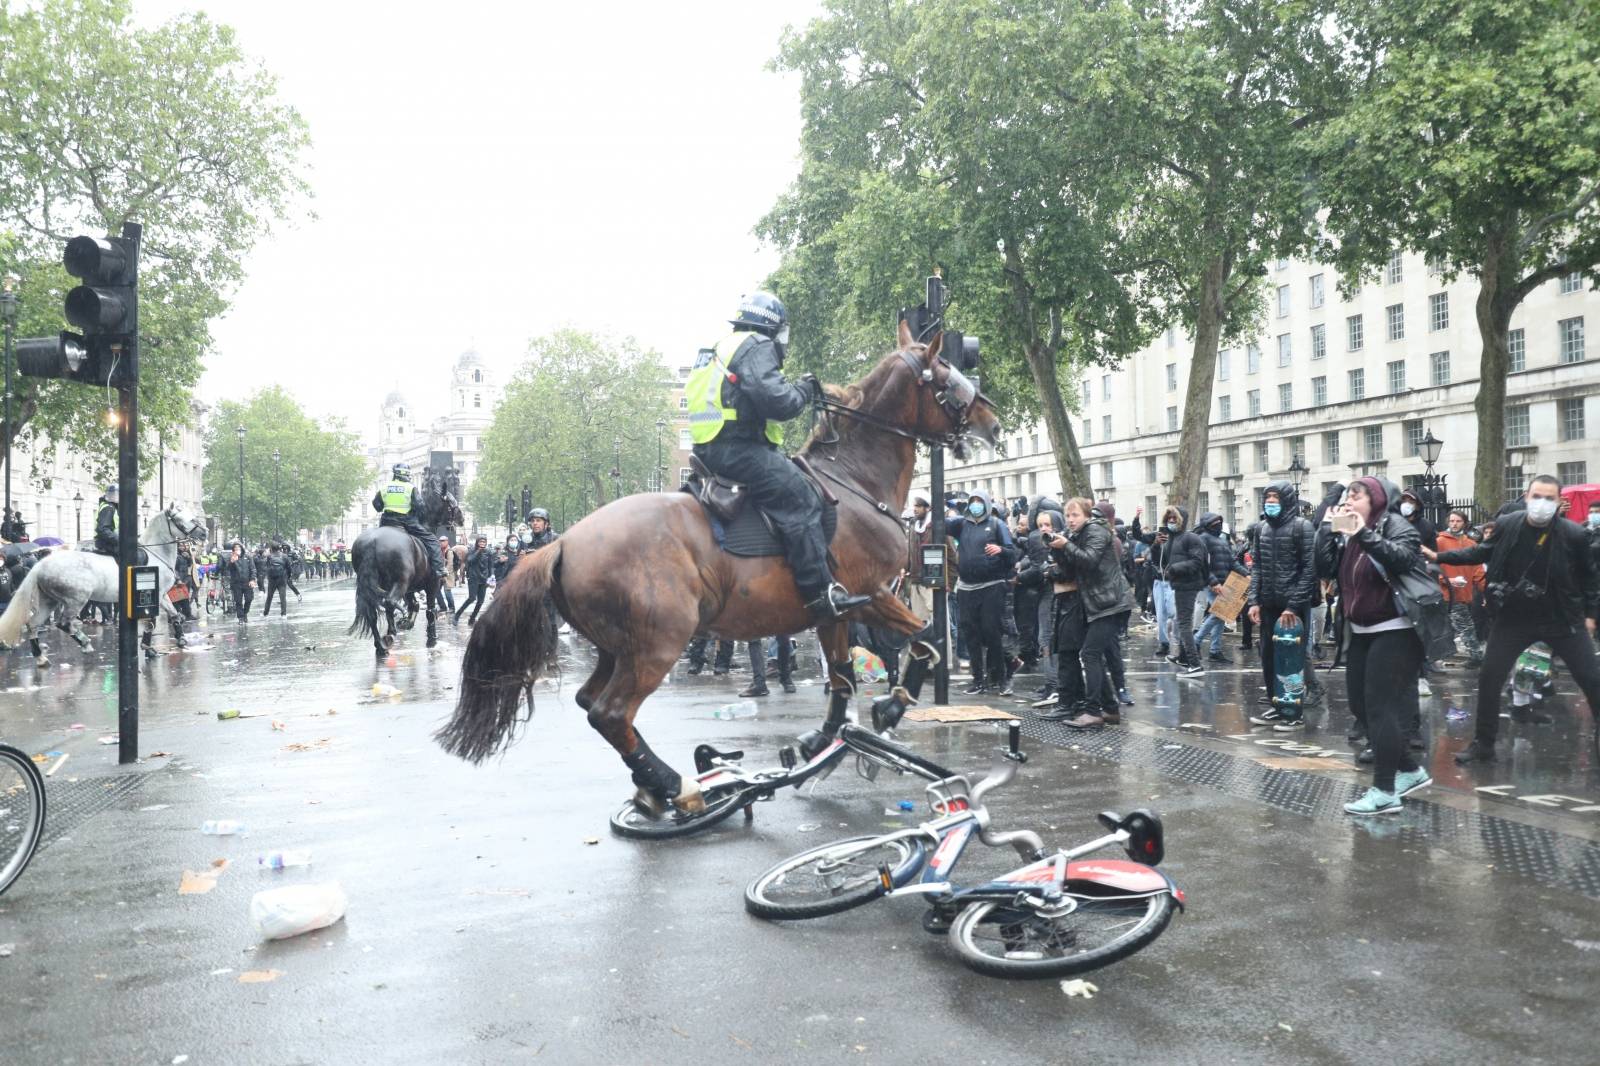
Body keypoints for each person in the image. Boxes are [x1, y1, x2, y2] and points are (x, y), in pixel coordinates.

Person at [686, 291, 869, 621]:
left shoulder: (718, 347)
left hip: (710, 448)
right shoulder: (756, 344)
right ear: (772, 327)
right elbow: (778, 402)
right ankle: (820, 594)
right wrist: (804, 389)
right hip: (738, 449)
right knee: (802, 499)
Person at [1428, 476, 1600, 763]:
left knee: (1592, 680)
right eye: (1537, 496)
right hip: (1514, 618)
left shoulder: (1574, 534)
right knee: (1489, 677)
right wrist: (1439, 555)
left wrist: (1591, 616)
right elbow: (1481, 551)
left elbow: (1589, 578)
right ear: (1526, 496)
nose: (1542, 503)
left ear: (1559, 502)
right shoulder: (1509, 524)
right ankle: (1483, 744)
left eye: (1549, 498)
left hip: (1561, 618)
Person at [1318, 477, 1433, 814]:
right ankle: (1410, 770)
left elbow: (1402, 559)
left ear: (1377, 499)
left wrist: (1362, 534)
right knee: (1362, 707)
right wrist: (1328, 529)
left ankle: (1384, 791)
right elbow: (1323, 568)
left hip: (1396, 629)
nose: (1349, 501)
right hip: (1361, 630)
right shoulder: (1351, 531)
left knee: (1382, 708)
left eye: (1357, 495)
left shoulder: (1395, 525)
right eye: (1347, 496)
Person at [1041, 498, 1136, 727]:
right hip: (1098, 604)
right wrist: (1058, 550)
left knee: (1090, 654)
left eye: (1075, 515)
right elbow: (1071, 568)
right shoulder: (1076, 535)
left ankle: (1094, 711)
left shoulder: (1096, 531)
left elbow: (1090, 560)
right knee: (1091, 654)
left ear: (1086, 516)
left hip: (1110, 603)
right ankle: (1110, 709)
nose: (1070, 520)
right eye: (1068, 516)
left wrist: (1066, 546)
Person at [1246, 482, 1321, 727]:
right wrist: (1253, 601)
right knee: (1268, 656)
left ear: (1286, 500)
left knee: (1292, 658)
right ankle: (1277, 705)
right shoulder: (1261, 529)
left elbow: (1309, 569)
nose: (1270, 502)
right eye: (1267, 498)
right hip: (1268, 603)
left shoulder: (1303, 527)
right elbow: (1257, 567)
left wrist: (1293, 605)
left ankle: (1293, 711)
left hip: (1294, 606)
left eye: (1275, 498)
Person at [947, 491, 1018, 695]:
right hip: (966, 588)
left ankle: (1002, 679)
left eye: (980, 502)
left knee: (991, 632)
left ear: (986, 504)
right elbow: (940, 522)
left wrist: (1000, 551)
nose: (976, 505)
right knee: (971, 634)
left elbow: (1012, 554)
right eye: (973, 502)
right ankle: (977, 680)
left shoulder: (997, 524)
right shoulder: (962, 524)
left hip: (991, 586)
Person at [372, 463, 447, 597]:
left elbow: (376, 505)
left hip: (386, 521)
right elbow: (419, 506)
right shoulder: (410, 487)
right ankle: (439, 569)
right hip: (406, 521)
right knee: (432, 540)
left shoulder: (385, 487)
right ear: (406, 475)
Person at [1194, 512, 1247, 664]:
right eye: (1214, 522)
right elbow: (1202, 563)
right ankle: (1196, 641)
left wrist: (1246, 574)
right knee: (1219, 614)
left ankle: (1214, 650)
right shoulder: (1203, 539)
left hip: (1225, 583)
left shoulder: (1222, 541)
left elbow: (1232, 562)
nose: (1217, 524)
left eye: (1219, 521)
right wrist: (1213, 582)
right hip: (1212, 583)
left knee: (1221, 616)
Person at [1435, 509, 1486, 665]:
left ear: (1464, 523)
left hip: (1461, 593)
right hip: (1442, 592)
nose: (1454, 524)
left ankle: (1474, 656)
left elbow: (1478, 570)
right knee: (1458, 627)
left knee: (1463, 626)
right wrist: (1447, 579)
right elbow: (1430, 567)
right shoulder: (1440, 542)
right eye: (1452, 521)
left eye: (1458, 521)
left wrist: (1485, 592)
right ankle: (1475, 656)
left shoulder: (1471, 544)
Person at [455, 534, 493, 625]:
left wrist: (491, 577)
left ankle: (472, 618)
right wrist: (478, 551)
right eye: (480, 541)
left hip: (483, 579)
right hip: (473, 578)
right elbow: (470, 560)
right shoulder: (472, 551)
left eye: (484, 542)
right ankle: (457, 615)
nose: (482, 543)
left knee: (481, 601)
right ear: (477, 542)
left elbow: (490, 566)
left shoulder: (488, 552)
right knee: (472, 598)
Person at [225, 541, 255, 622]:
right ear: (233, 550)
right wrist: (232, 562)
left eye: (238, 548)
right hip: (236, 583)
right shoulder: (231, 558)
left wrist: (252, 579)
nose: (237, 550)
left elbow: (253, 569)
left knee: (249, 599)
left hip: (247, 582)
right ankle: (240, 618)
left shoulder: (248, 557)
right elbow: (227, 569)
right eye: (235, 549)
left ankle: (245, 612)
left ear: (241, 548)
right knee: (238, 601)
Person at [260, 544, 291, 617]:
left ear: (272, 548)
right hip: (282, 579)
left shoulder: (269, 556)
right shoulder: (284, 556)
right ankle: (283, 614)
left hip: (272, 579)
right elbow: (288, 568)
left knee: (269, 597)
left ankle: (265, 613)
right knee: (282, 597)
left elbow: (266, 567)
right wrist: (288, 576)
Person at [93, 484, 120, 554]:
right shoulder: (109, 508)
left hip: (105, 542)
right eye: (113, 494)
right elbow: (102, 529)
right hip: (107, 543)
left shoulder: (107, 506)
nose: (114, 496)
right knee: (131, 556)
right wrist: (118, 539)